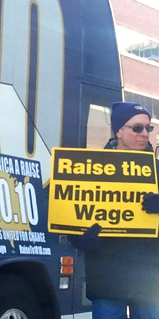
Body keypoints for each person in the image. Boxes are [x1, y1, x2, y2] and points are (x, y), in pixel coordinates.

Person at [72, 101, 159, 319]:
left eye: (148, 128)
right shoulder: (90, 168)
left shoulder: (157, 170)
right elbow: (71, 208)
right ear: (118, 131)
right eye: (136, 128)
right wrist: (78, 237)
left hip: (149, 277)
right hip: (107, 275)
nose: (144, 134)